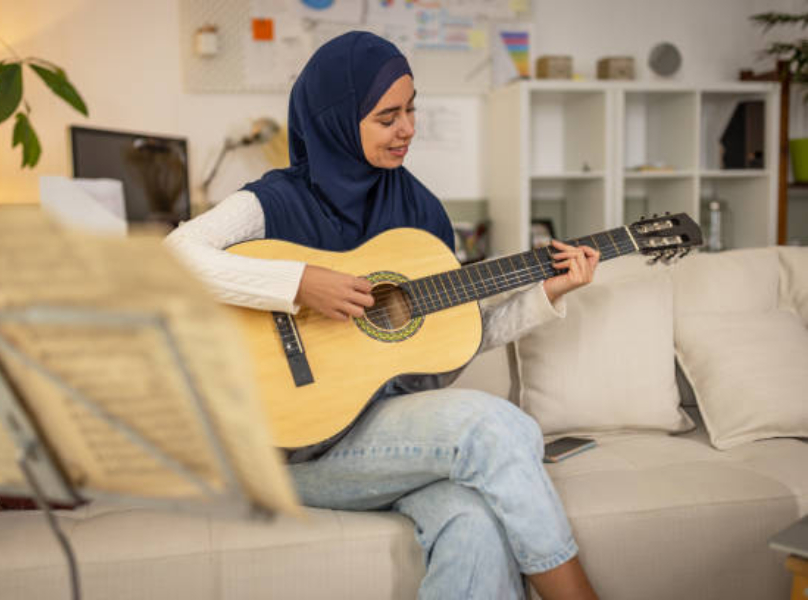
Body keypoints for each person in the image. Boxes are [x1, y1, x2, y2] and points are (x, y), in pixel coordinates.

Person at [166, 31, 600, 600]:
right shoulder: (273, 201)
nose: (408, 128)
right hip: (286, 452)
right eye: (386, 116)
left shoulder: (420, 213)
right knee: (495, 426)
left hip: (380, 441)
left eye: (412, 108)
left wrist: (545, 295)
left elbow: (455, 338)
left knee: (474, 526)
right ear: (338, 121)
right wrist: (297, 283)